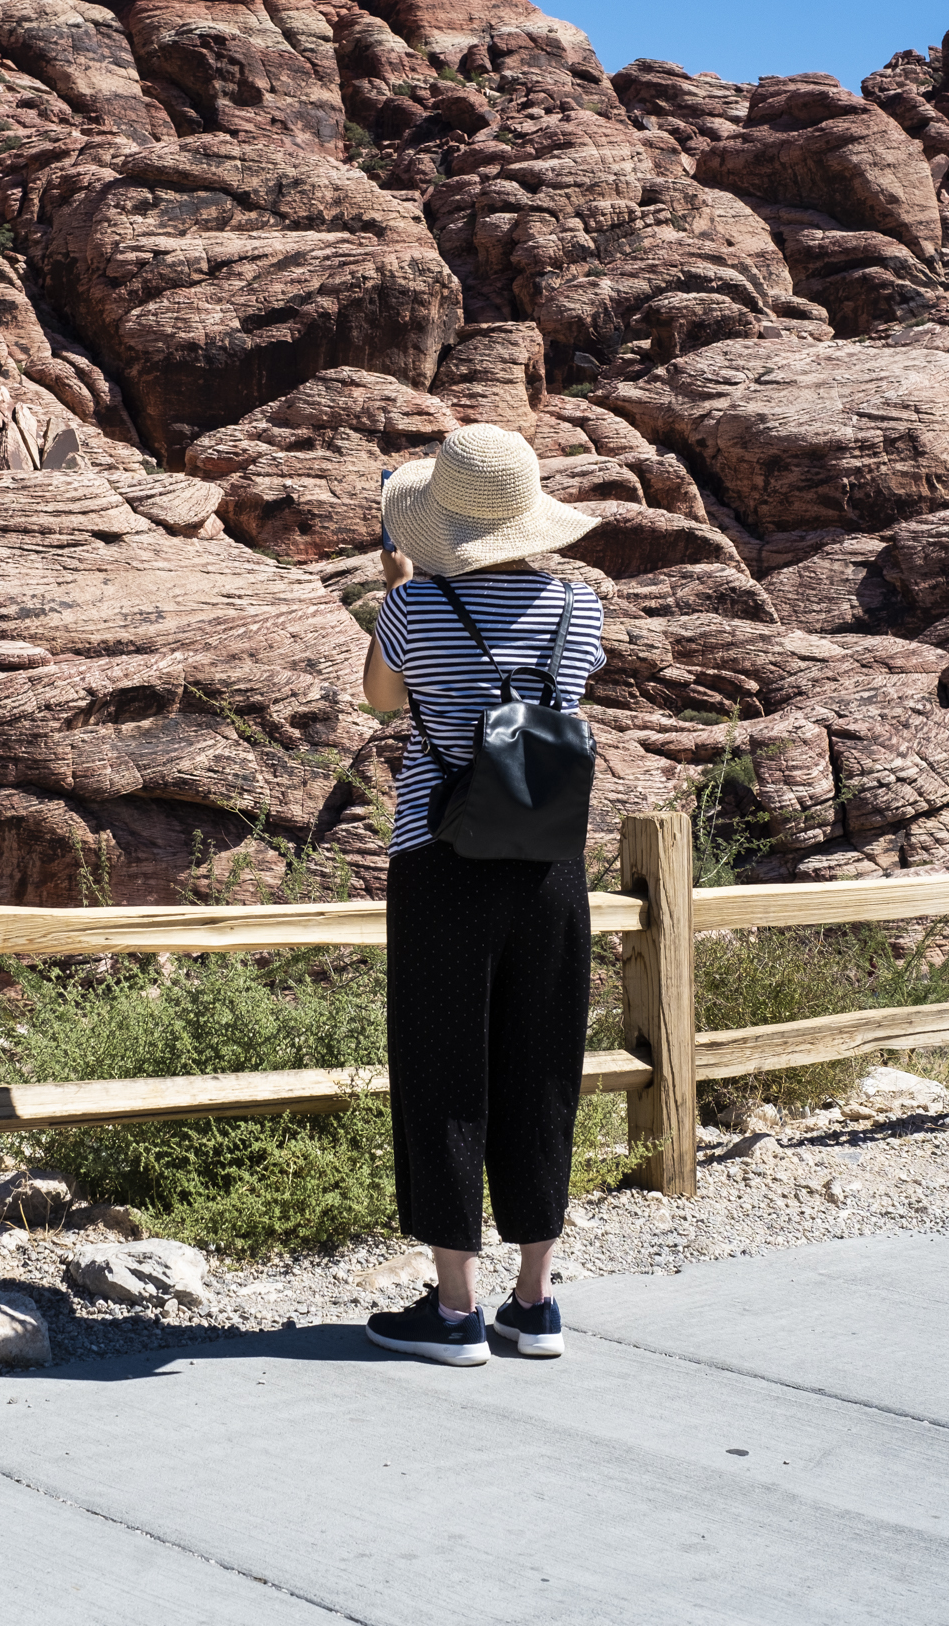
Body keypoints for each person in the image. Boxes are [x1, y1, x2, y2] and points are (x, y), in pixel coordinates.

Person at [360, 422, 605, 1366]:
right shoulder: (577, 607)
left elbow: (386, 702)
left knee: (442, 1068)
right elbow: (555, 696)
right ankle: (533, 1304)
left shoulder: (412, 609)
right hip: (546, 860)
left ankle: (454, 1312)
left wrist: (400, 595)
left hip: (440, 858)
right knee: (543, 1067)